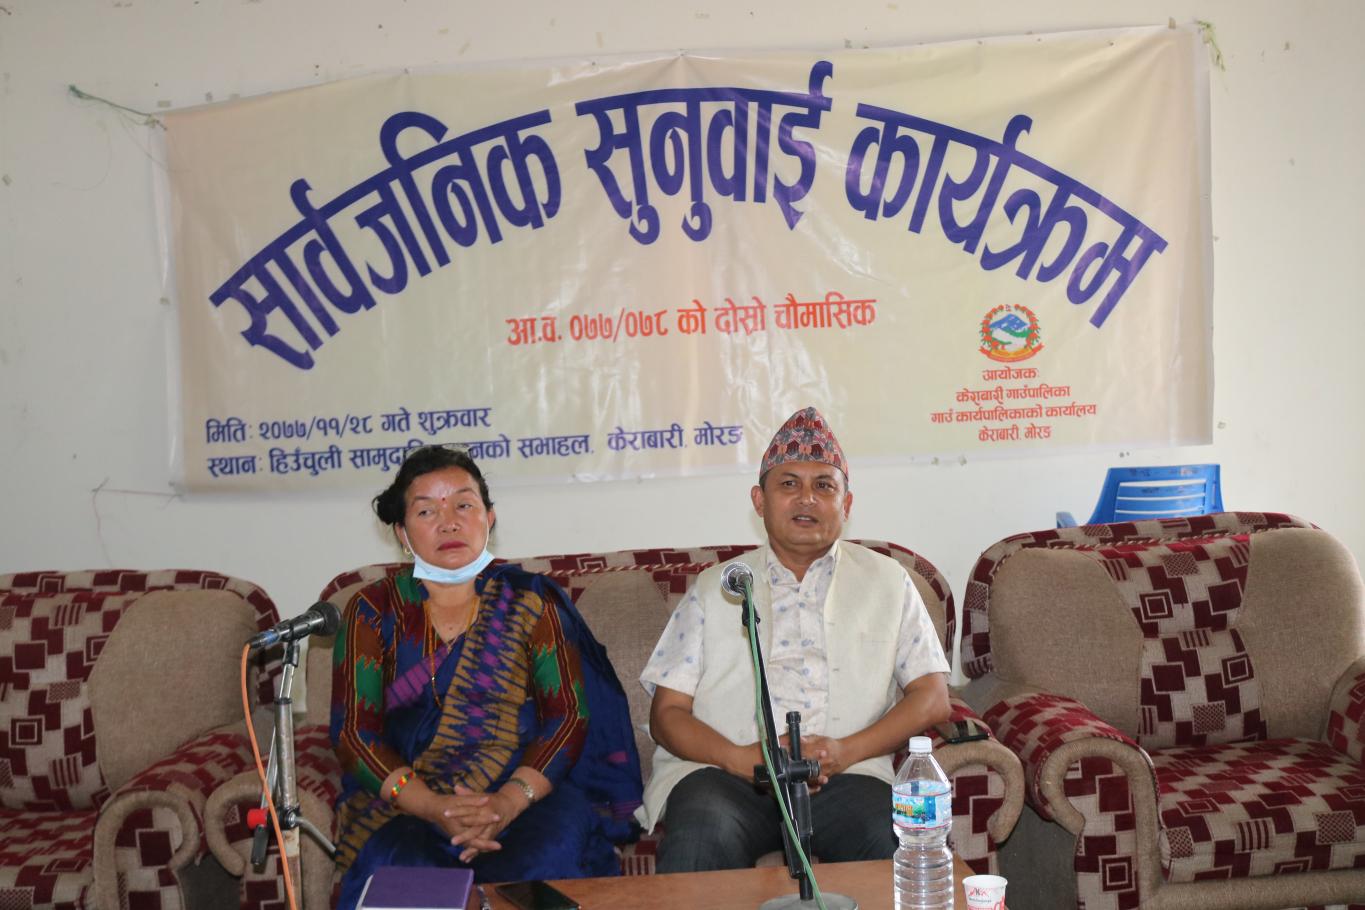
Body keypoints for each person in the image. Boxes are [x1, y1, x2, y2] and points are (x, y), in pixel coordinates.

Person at [638, 406, 952, 872]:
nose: (807, 498)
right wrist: (741, 758)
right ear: (759, 500)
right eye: (788, 484)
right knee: (701, 837)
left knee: (893, 843)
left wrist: (845, 752)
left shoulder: (889, 582)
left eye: (824, 486)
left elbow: (933, 698)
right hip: (727, 778)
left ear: (846, 504)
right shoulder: (716, 586)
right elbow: (667, 714)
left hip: (849, 776)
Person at [330, 445, 641, 907]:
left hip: (528, 797)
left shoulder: (531, 602)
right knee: (398, 865)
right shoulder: (372, 610)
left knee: (548, 855)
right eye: (426, 511)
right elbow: (355, 734)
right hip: (410, 800)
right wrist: (433, 807)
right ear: (401, 532)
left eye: (464, 505)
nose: (449, 523)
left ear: (489, 518)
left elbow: (567, 719)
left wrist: (508, 802)